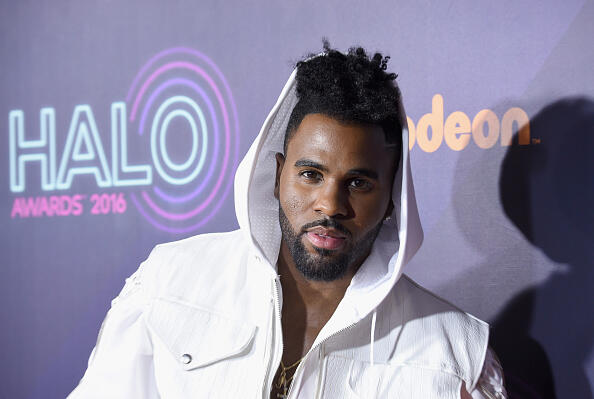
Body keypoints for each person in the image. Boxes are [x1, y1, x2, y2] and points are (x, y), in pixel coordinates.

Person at [69, 43, 507, 398]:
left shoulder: (452, 357)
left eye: (357, 183)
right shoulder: (171, 282)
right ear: (278, 175)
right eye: (311, 175)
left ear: (392, 199)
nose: (329, 205)